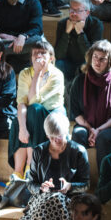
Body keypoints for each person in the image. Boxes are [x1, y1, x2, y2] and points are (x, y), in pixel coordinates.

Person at [13, 112, 91, 220]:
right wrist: (41, 188)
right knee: (51, 201)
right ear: (47, 136)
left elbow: (86, 184)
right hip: (41, 200)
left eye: (60, 136)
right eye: (52, 137)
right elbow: (31, 183)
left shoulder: (78, 151)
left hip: (69, 200)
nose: (56, 140)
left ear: (67, 132)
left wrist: (70, 186)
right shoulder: (39, 151)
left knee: (55, 200)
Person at [69, 39, 111, 172]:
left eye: (102, 59)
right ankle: (78, 177)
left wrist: (99, 130)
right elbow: (75, 112)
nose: (97, 62)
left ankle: (105, 179)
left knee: (103, 138)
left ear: (109, 62)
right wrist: (91, 129)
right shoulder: (79, 80)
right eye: (95, 57)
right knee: (78, 134)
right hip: (86, 125)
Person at [9, 39, 66, 177]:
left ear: (51, 58)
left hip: (52, 113)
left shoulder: (57, 75)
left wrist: (37, 74)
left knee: (34, 110)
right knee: (17, 121)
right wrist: (22, 128)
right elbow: (22, 102)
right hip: (32, 112)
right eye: (35, 53)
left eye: (42, 53)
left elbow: (35, 101)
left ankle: (31, 166)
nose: (38, 56)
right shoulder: (24, 73)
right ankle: (18, 172)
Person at [0, 0, 45, 71]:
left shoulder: (33, 2)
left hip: (24, 47)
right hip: (6, 48)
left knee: (37, 41)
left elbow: (37, 28)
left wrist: (23, 36)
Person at [54, 0, 104, 83]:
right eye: (72, 10)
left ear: (87, 13)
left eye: (78, 11)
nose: (73, 14)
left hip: (86, 63)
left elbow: (92, 57)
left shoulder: (96, 25)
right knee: (58, 64)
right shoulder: (62, 24)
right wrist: (66, 33)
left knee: (91, 66)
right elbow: (58, 55)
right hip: (68, 63)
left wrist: (81, 33)